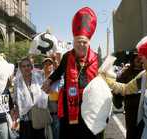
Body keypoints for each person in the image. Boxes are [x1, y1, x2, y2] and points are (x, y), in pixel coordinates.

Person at [42, 7, 104, 139]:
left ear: (89, 43)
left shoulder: (97, 57)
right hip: (70, 106)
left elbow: (103, 78)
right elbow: (58, 72)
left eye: (84, 42)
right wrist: (49, 81)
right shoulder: (66, 57)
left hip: (91, 106)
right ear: (74, 42)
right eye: (78, 42)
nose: (81, 45)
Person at [100, 34, 147, 139]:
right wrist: (105, 80)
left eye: (144, 56)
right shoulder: (144, 76)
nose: (141, 60)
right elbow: (125, 89)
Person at [13, 57, 48, 139]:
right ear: (20, 68)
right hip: (25, 117)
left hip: (38, 115)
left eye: (28, 65)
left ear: (32, 67)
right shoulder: (17, 82)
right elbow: (15, 100)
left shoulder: (38, 78)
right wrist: (16, 116)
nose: (26, 68)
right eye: (23, 66)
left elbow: (45, 94)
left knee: (39, 136)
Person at [113, 52, 144, 139]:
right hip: (131, 109)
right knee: (131, 133)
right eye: (136, 57)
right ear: (132, 59)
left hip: (145, 109)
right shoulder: (126, 72)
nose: (138, 59)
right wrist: (117, 101)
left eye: (140, 57)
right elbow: (119, 88)